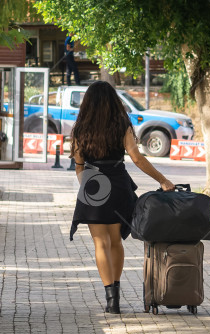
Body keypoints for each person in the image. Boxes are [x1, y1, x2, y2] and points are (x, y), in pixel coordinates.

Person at [69, 81, 174, 314]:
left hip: (93, 186)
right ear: (113, 101)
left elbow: (78, 165)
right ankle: (116, 291)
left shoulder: (79, 128)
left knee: (100, 243)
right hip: (118, 183)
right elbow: (136, 158)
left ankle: (111, 300)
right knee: (115, 240)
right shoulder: (122, 124)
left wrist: (87, 187)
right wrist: (162, 180)